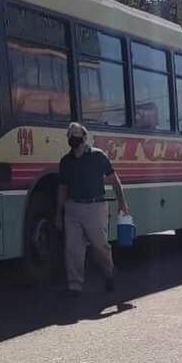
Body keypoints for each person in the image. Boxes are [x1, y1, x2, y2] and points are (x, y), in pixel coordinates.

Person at [56, 122, 128, 295]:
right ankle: (75, 285)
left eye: (76, 134)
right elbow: (62, 188)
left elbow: (114, 179)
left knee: (100, 247)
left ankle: (109, 273)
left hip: (95, 207)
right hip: (73, 207)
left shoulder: (98, 156)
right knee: (73, 249)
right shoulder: (65, 161)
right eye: (70, 135)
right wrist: (59, 213)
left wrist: (122, 203)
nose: (73, 138)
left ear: (84, 137)